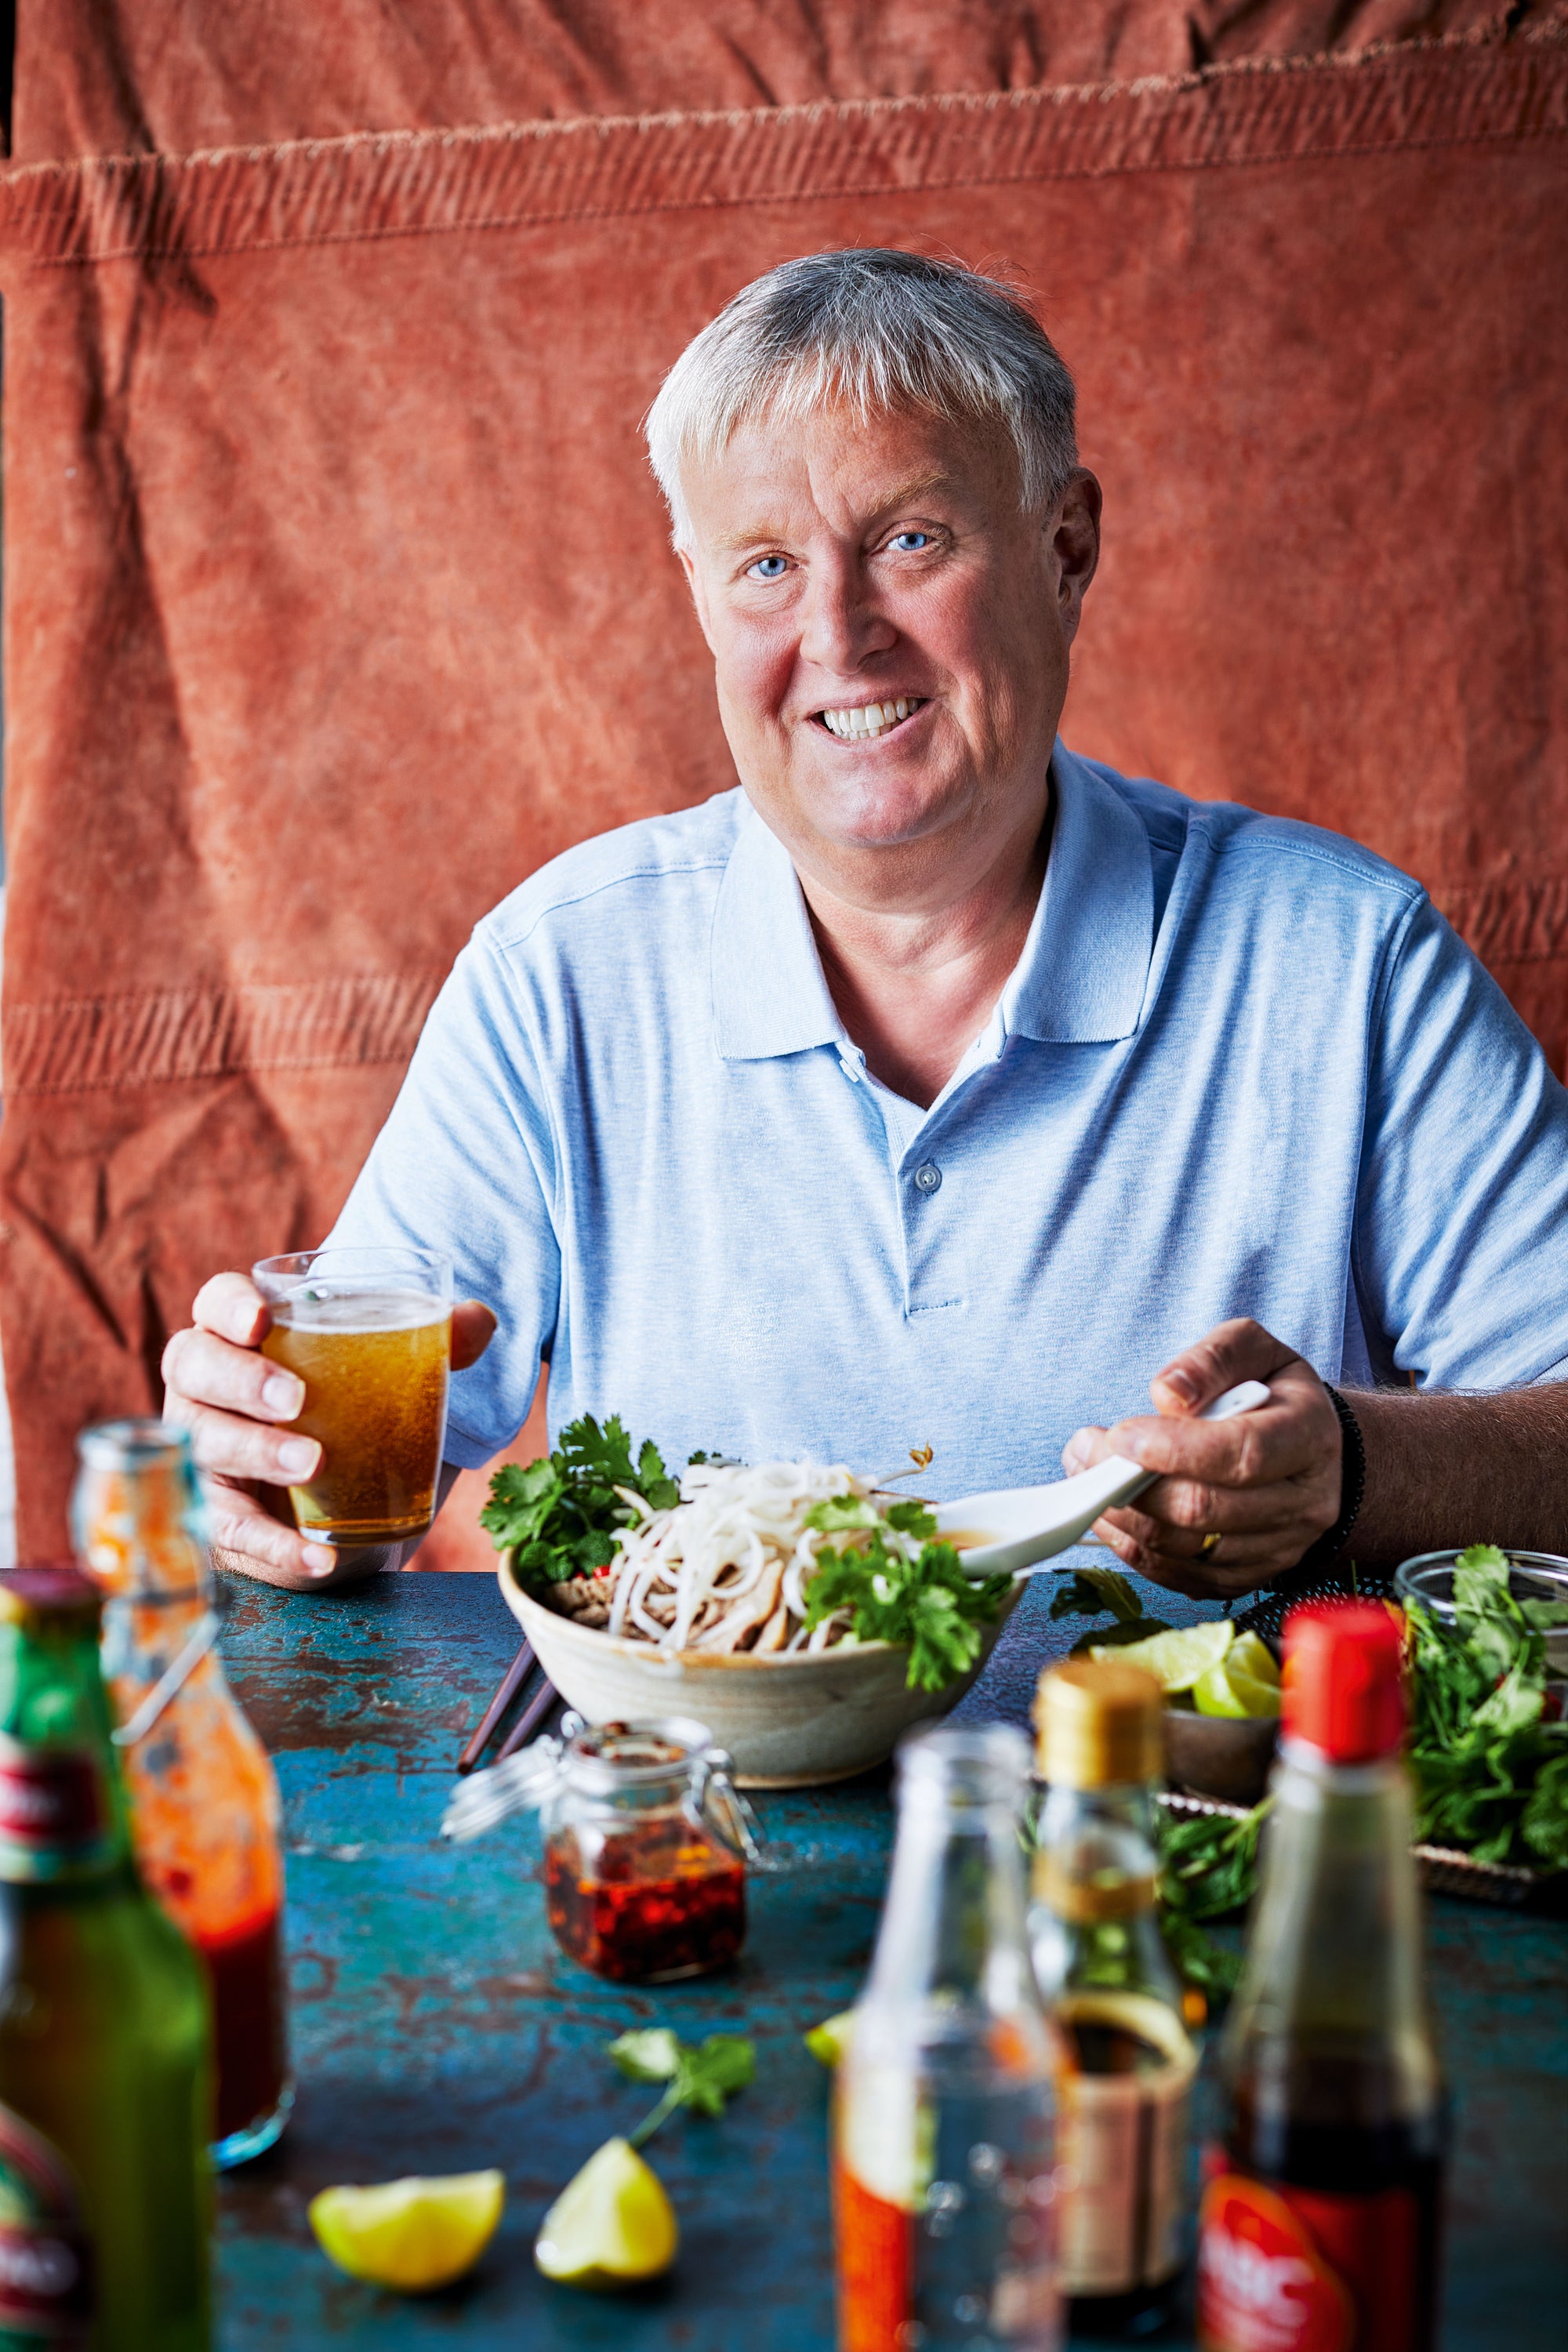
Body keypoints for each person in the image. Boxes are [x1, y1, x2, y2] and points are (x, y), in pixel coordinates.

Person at [162, 249, 1568, 1599]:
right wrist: (266, 1474)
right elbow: (338, 1499)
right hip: (691, 1834)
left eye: (909, 540)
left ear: (1066, 549)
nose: (839, 635)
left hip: (1185, 1822)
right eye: (764, 564)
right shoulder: (561, 978)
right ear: (701, 599)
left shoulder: (1344, 963)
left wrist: (1358, 1471)